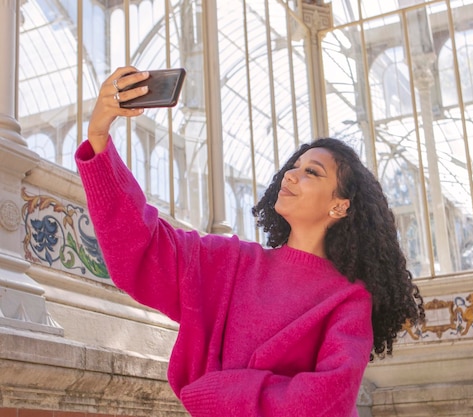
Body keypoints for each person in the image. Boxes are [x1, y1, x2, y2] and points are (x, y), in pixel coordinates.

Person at [76, 66, 425, 417]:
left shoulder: (348, 298)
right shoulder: (229, 262)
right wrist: (98, 135)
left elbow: (323, 402)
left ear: (340, 205)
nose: (292, 173)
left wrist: (221, 393)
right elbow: (143, 247)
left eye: (312, 172)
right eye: (295, 165)